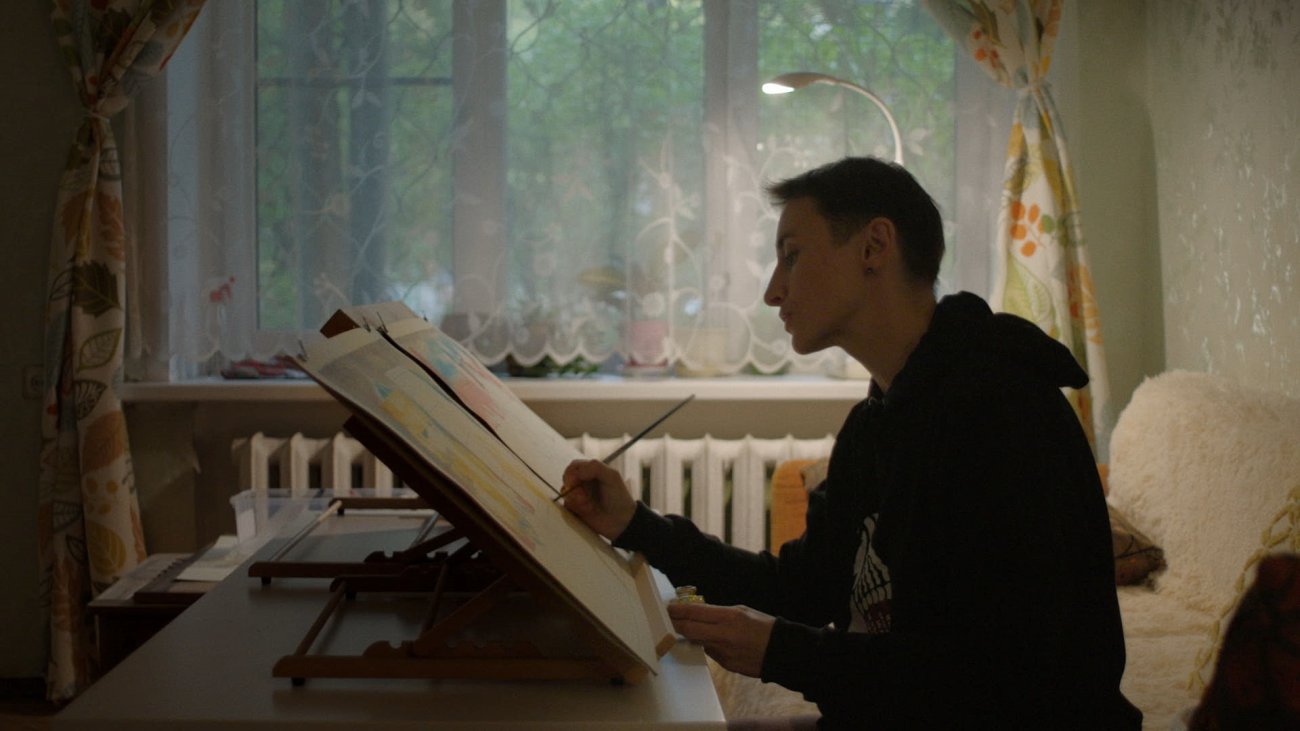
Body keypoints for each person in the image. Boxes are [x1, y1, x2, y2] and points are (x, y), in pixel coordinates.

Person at [562, 157, 1141, 729]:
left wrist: (779, 650)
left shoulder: (1003, 414)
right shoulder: (877, 423)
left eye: (792, 255)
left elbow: (1000, 676)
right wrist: (634, 523)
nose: (772, 290)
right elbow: (806, 588)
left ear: (873, 247)